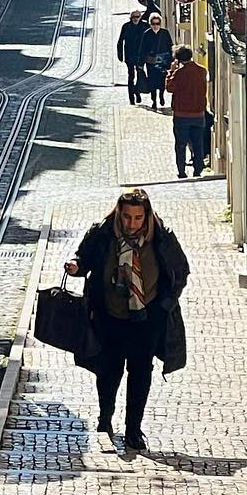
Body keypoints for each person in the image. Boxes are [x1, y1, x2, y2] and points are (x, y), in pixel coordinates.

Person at [66, 187, 190, 451]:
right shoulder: (102, 233)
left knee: (141, 373)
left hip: (147, 318)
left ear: (146, 217)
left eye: (137, 218)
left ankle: (134, 429)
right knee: (109, 371)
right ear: (119, 214)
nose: (131, 224)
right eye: (126, 217)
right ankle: (105, 420)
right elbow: (83, 258)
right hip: (109, 315)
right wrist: (75, 266)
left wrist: (163, 307)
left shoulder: (161, 237)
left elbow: (180, 272)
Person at [165, 45, 209, 178]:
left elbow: (169, 88)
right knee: (198, 143)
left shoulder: (179, 73)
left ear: (177, 59)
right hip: (198, 114)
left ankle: (182, 171)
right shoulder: (202, 71)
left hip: (182, 115)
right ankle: (198, 170)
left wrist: (171, 72)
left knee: (181, 144)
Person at [136, 12, 173, 109]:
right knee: (152, 82)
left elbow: (170, 46)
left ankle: (161, 95)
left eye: (157, 23)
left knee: (162, 81)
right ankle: (154, 101)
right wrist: (140, 63)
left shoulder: (165, 33)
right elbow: (142, 49)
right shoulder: (147, 34)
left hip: (163, 62)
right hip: (151, 62)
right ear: (150, 24)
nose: (155, 26)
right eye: (153, 24)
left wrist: (172, 60)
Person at [116, 9, 149, 105]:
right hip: (129, 55)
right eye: (133, 17)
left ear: (140, 17)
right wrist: (120, 54)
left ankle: (137, 92)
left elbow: (149, 40)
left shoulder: (145, 26)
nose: (135, 19)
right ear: (131, 18)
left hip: (140, 55)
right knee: (131, 76)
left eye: (137, 17)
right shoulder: (126, 27)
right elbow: (120, 41)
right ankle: (131, 98)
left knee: (140, 74)